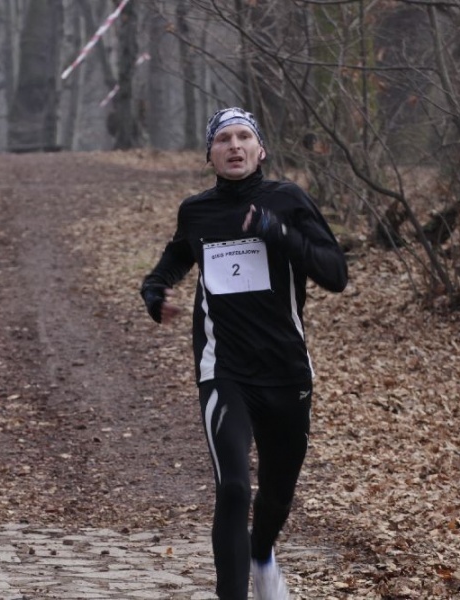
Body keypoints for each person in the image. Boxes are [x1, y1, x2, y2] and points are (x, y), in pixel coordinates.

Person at [140, 107, 348, 600]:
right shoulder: (198, 211)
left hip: (285, 369)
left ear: (261, 150)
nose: (234, 146)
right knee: (234, 487)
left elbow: (335, 274)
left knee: (276, 495)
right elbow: (173, 259)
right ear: (210, 154)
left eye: (243, 137)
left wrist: (279, 232)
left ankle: (261, 555)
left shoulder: (288, 200)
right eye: (224, 140)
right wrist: (154, 292)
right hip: (223, 368)